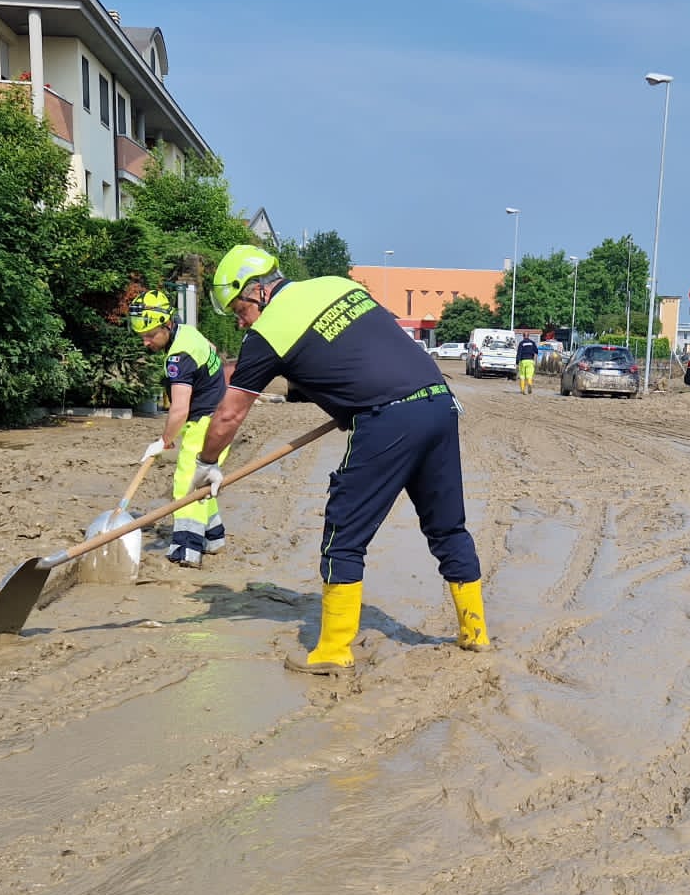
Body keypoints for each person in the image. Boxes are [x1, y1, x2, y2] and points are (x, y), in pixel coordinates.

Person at [194, 244, 488, 675]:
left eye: (238, 308)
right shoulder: (336, 286)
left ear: (256, 291)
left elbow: (229, 412)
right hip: (438, 401)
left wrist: (207, 462)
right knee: (447, 526)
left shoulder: (267, 333)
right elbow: (355, 350)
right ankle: (475, 634)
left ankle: (332, 650)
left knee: (343, 533)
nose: (239, 320)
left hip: (387, 418)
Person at [128, 288, 230, 567]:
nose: (146, 342)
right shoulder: (187, 332)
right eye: (142, 337)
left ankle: (187, 549)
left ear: (167, 324)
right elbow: (212, 353)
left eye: (150, 335)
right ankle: (214, 538)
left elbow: (179, 408)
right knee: (204, 482)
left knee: (186, 486)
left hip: (204, 423)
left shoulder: (178, 357)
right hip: (218, 418)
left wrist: (164, 440)